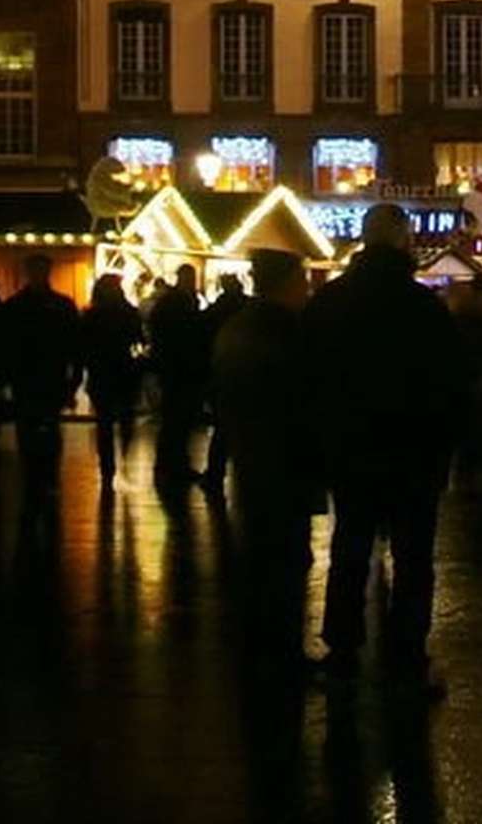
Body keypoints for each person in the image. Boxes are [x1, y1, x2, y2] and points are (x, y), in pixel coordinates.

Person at [307, 207, 467, 694]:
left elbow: (309, 381)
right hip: (414, 451)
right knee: (414, 556)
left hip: (351, 449)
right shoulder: (424, 307)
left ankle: (342, 650)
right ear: (402, 240)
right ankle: (407, 655)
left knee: (351, 548)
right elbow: (448, 385)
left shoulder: (328, 302)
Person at [209, 248, 321, 663]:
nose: (306, 287)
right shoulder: (286, 332)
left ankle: (262, 644)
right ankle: (280, 649)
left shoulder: (238, 329)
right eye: (302, 280)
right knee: (284, 558)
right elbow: (303, 396)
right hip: (283, 459)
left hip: (254, 454)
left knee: (264, 553)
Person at [2, 256, 83, 488]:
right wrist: (73, 382)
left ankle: (36, 479)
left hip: (31, 379)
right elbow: (74, 346)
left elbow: (6, 346)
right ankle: (46, 478)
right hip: (47, 378)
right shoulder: (61, 305)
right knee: (47, 430)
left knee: (30, 431)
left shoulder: (16, 306)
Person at [147, 266, 217, 493]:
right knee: (177, 421)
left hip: (178, 369)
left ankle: (171, 465)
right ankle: (171, 466)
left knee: (177, 421)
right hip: (182, 369)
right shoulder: (182, 303)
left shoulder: (173, 302)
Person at [79, 273, 148, 492]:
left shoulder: (91, 315)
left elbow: (82, 347)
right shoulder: (128, 313)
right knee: (124, 419)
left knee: (105, 423)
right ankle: (120, 459)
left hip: (101, 372)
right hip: (124, 371)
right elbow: (140, 339)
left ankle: (108, 468)